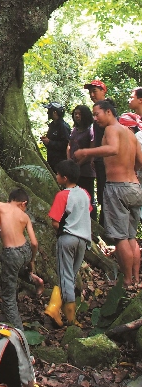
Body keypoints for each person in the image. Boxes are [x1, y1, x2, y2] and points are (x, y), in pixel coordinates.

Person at [74, 100, 142, 289]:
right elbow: (140, 161)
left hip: (117, 187)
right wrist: (130, 170)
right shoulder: (130, 134)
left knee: (121, 238)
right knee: (131, 237)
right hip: (134, 187)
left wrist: (86, 151)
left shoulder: (112, 129)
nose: (95, 118)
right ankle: (136, 278)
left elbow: (113, 149)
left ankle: (127, 281)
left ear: (109, 112)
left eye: (97, 114)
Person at [44, 159, 92, 326]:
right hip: (83, 240)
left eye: (58, 174)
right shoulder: (85, 194)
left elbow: (55, 222)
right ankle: (55, 308)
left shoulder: (63, 195)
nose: (56, 176)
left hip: (67, 238)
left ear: (64, 178)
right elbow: (87, 212)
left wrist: (61, 231)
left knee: (65, 276)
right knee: (70, 276)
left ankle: (70, 318)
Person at [0, 188, 41, 330]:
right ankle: (33, 278)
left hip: (11, 254)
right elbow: (34, 243)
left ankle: (19, 332)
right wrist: (32, 260)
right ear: (23, 203)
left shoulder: (0, 205)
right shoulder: (25, 217)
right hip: (25, 250)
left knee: (8, 298)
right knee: (19, 268)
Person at [84, 79, 112, 226]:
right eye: (90, 92)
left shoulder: (108, 111)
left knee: (107, 194)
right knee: (102, 193)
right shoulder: (97, 113)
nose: (92, 95)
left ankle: (107, 226)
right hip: (100, 160)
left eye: (94, 91)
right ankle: (103, 224)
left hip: (107, 160)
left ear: (103, 91)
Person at [68, 105, 96, 219]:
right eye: (75, 114)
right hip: (74, 169)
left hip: (86, 170)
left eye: (79, 114)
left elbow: (91, 151)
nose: (77, 116)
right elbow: (69, 145)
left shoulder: (90, 130)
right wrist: (69, 161)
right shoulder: (75, 129)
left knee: (87, 197)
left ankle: (91, 220)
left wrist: (78, 164)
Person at [41, 102, 71, 173]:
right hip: (51, 161)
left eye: (49, 111)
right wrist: (46, 141)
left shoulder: (63, 126)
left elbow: (66, 144)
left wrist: (50, 142)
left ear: (55, 112)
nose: (47, 113)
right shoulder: (52, 125)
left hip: (60, 162)